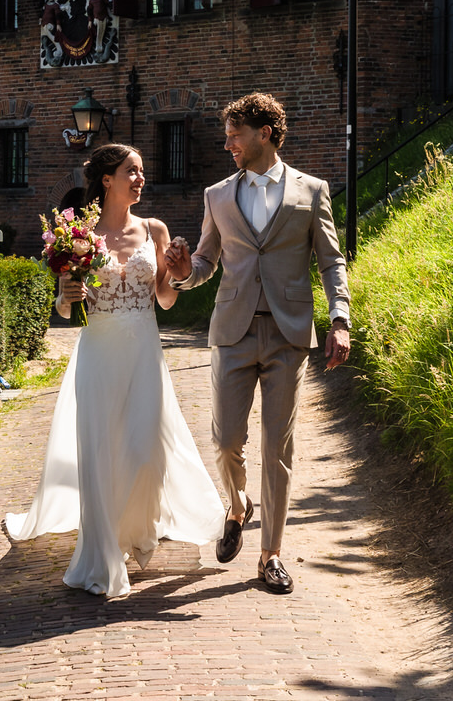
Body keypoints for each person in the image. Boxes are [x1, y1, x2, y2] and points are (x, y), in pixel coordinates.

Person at [5, 144, 223, 599]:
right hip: (99, 353)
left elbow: (164, 299)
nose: (141, 178)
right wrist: (66, 294)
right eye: (132, 171)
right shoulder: (78, 233)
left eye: (142, 171)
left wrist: (178, 273)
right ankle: (104, 551)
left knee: (145, 449)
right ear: (107, 179)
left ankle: (135, 530)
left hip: (144, 350)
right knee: (101, 450)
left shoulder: (155, 229)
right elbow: (65, 308)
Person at [164, 92, 351, 595]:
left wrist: (340, 318)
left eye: (235, 135)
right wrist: (183, 274)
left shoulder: (312, 192)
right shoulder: (218, 196)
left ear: (264, 133)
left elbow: (331, 262)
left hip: (289, 334)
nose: (228, 144)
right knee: (226, 439)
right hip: (233, 330)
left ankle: (270, 555)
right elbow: (204, 263)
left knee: (277, 445)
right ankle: (237, 504)